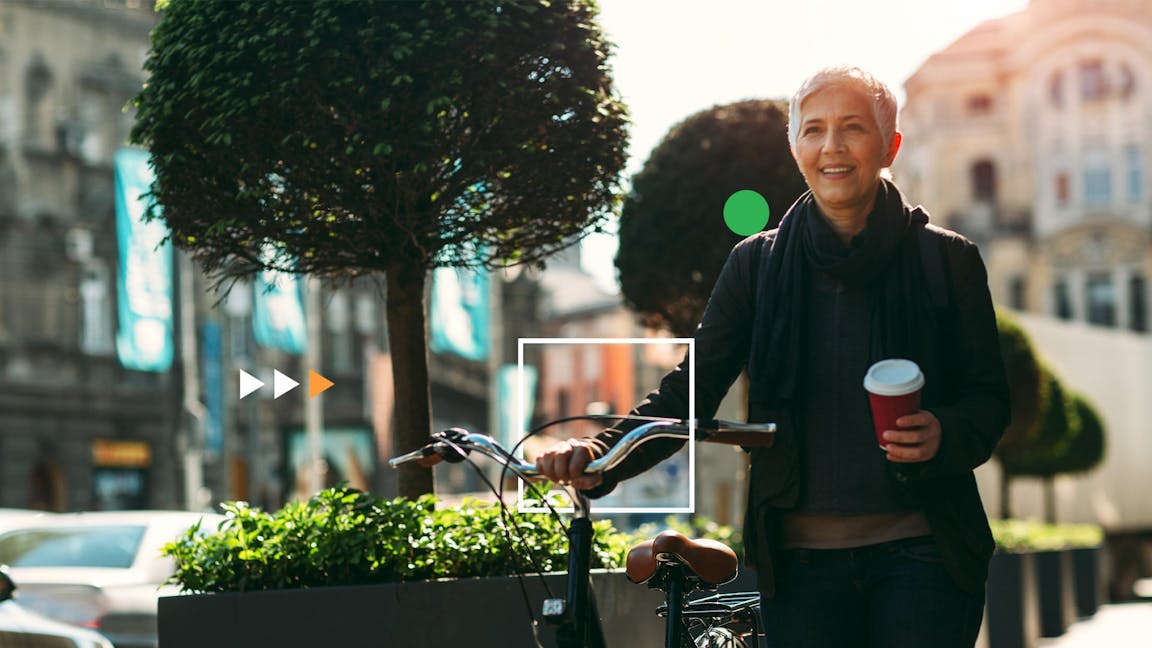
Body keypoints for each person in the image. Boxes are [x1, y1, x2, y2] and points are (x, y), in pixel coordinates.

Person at [535, 65, 1010, 647]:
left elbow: (989, 401)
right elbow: (691, 390)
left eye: (853, 128)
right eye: (813, 130)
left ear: (890, 145)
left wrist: (945, 430)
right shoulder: (756, 266)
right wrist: (599, 453)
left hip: (926, 555)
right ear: (795, 147)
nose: (831, 147)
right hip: (801, 568)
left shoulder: (947, 261)